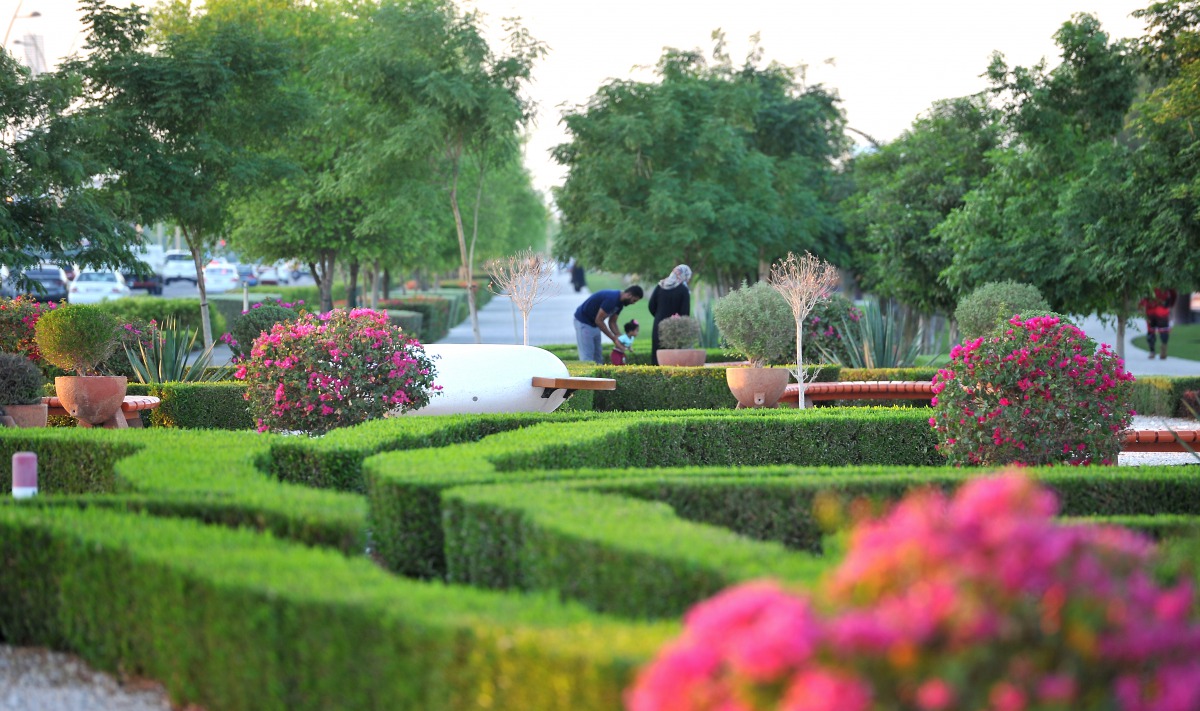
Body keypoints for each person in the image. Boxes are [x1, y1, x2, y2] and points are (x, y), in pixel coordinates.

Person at [573, 285, 644, 364]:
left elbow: (612, 322)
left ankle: (598, 376)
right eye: (634, 300)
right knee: (587, 356)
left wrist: (620, 338)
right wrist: (613, 338)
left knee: (598, 357)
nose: (633, 303)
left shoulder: (620, 303)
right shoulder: (612, 299)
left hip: (594, 324)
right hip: (584, 322)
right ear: (629, 295)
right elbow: (599, 320)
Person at [647, 264, 692, 365]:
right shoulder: (683, 290)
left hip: (658, 325)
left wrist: (659, 316)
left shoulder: (660, 286)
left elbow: (651, 306)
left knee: (657, 354)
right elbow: (685, 312)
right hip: (676, 327)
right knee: (674, 357)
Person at [1140, 288, 1178, 359]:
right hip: (1162, 310)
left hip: (1150, 310)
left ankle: (1152, 352)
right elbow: (1173, 293)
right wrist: (1170, 304)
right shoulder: (1165, 282)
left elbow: (1143, 296)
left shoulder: (1147, 281)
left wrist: (1141, 305)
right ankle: (1163, 351)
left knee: (1151, 331)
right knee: (1164, 331)